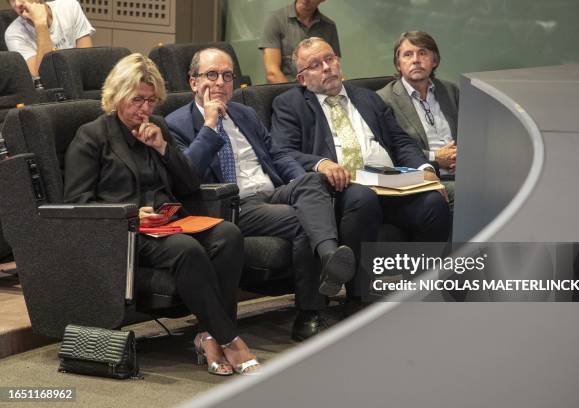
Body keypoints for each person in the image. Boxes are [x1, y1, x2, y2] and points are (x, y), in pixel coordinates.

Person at [63, 53, 259, 376]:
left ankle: (209, 335)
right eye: (137, 100)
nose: (145, 109)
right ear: (117, 96)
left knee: (228, 235)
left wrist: (163, 149)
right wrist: (129, 213)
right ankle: (231, 341)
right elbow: (78, 204)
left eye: (151, 100)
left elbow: (189, 184)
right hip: (128, 233)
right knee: (187, 251)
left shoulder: (158, 128)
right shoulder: (92, 137)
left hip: (169, 222)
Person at [165, 47, 355, 342]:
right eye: (211, 75)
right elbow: (187, 176)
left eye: (227, 76)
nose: (219, 83)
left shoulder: (245, 113)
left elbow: (277, 156)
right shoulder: (175, 124)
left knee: (312, 184)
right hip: (232, 205)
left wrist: (302, 183)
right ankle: (310, 310)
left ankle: (328, 262)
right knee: (306, 219)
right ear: (193, 82)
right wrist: (210, 125)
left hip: (272, 192)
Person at [270, 37, 451, 307]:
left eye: (330, 59)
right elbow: (283, 152)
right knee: (362, 198)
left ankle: (421, 290)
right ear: (302, 79)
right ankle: (361, 297)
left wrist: (426, 171)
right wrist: (322, 164)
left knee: (434, 203)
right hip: (341, 188)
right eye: (316, 65)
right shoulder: (290, 104)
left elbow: (400, 142)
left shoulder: (366, 97)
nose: (327, 67)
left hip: (389, 181)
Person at [377, 31, 459, 205]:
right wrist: (434, 157)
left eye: (422, 53)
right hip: (422, 179)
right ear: (398, 64)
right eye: (408, 54)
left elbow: (471, 133)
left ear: (434, 60)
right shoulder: (384, 99)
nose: (416, 60)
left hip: (464, 173)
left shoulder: (450, 91)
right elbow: (390, 150)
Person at [4, 0, 94, 77]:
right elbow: (43, 75)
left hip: (79, 83)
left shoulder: (70, 7)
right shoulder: (13, 33)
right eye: (12, 0)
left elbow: (86, 61)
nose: (17, 4)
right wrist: (40, 24)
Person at [259, 0, 340, 83]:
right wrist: (296, 95)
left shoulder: (329, 26)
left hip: (320, 91)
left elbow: (334, 67)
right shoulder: (275, 20)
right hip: (286, 91)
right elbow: (272, 73)